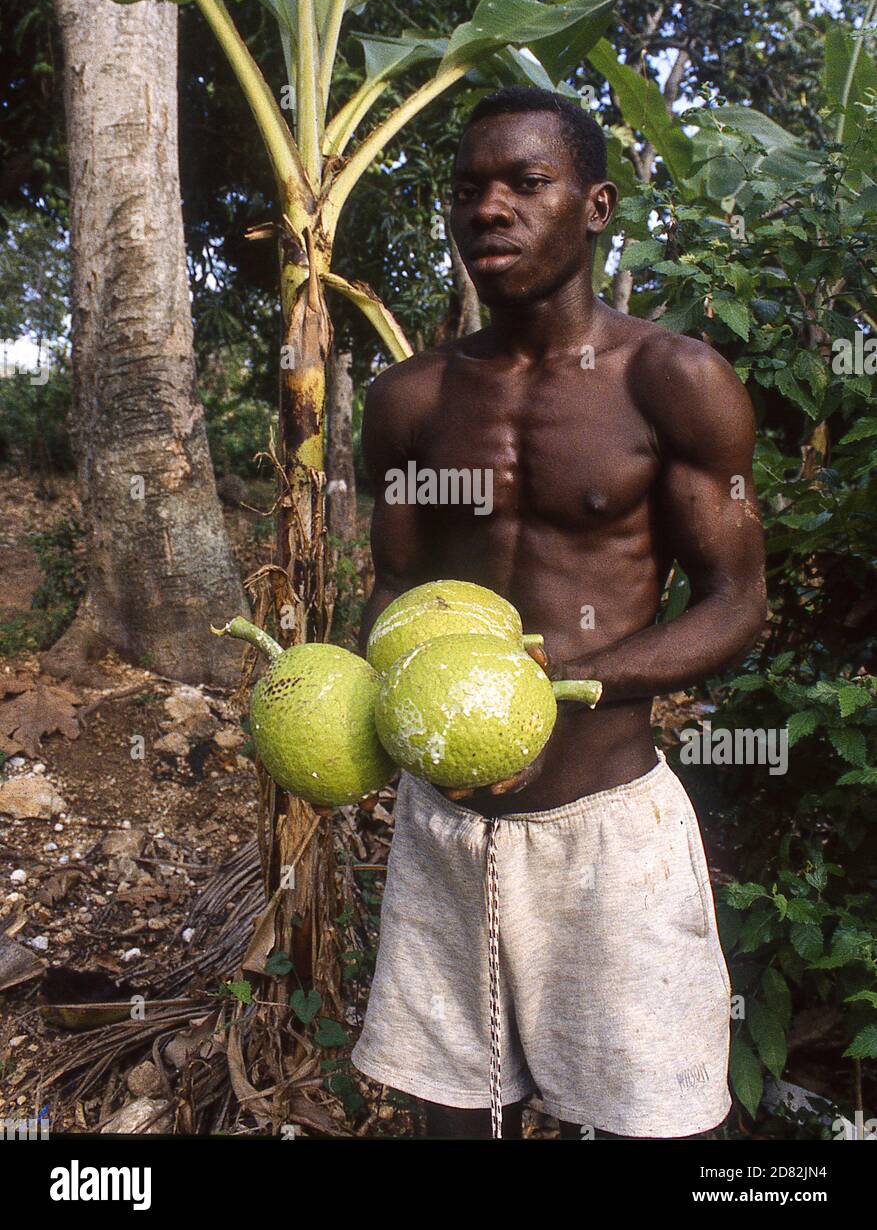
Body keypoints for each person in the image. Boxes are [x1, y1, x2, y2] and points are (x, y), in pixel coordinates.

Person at [350, 87, 766, 1140]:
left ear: (593, 206)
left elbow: (735, 602)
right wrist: (405, 711)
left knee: (655, 1121)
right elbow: (393, 592)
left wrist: (563, 693)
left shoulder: (673, 382)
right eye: (467, 189)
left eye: (525, 183)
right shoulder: (409, 400)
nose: (488, 208)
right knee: (452, 1120)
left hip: (605, 832)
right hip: (449, 831)